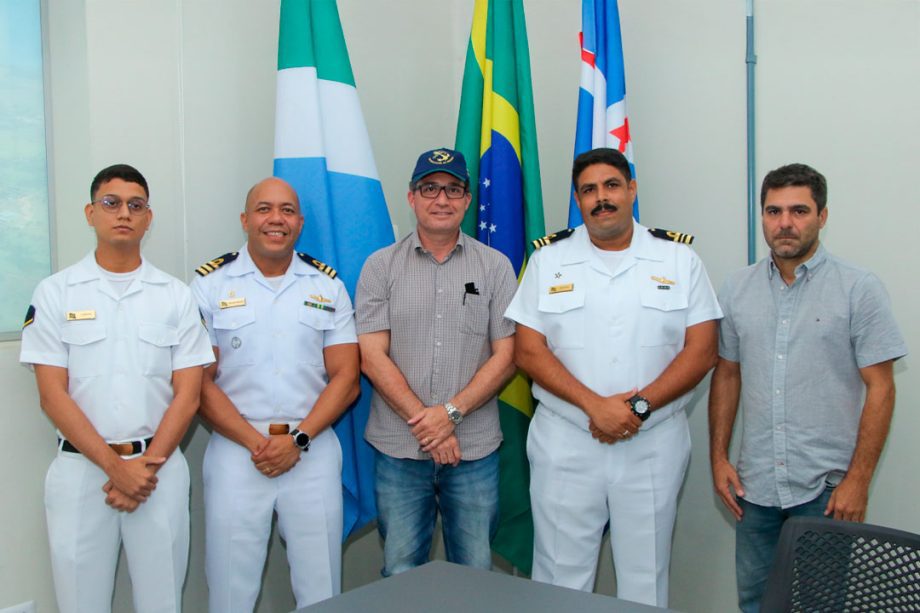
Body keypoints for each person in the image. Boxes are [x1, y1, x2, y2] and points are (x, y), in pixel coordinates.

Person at [505, 147, 722, 607]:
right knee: (558, 576)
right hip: (566, 441)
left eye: (611, 186)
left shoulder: (678, 258)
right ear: (577, 200)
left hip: (652, 442)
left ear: (632, 190)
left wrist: (636, 408)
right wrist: (596, 407)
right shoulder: (548, 260)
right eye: (588, 190)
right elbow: (528, 350)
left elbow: (702, 351)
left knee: (645, 577)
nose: (601, 198)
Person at [708, 163, 908, 612]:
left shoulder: (858, 288)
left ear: (822, 216)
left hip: (826, 491)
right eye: (773, 211)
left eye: (799, 211)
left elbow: (881, 388)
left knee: (820, 608)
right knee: (756, 604)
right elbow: (727, 374)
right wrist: (718, 458)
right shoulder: (737, 288)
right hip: (754, 490)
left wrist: (858, 481)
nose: (785, 223)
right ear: (762, 216)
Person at [19, 164, 214, 612]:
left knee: (162, 601)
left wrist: (142, 470)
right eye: (111, 203)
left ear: (148, 218)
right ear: (90, 213)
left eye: (135, 205)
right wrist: (115, 468)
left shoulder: (175, 295)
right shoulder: (55, 292)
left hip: (158, 470)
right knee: (80, 604)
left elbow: (189, 395)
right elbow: (52, 395)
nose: (124, 213)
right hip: (81, 472)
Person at [190, 177, 360, 611]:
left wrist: (297, 440)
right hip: (237, 451)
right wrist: (256, 443)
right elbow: (199, 382)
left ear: (299, 223)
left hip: (311, 448)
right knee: (230, 590)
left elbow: (346, 378)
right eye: (264, 209)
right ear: (245, 220)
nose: (276, 219)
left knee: (322, 588)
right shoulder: (210, 285)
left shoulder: (327, 286)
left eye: (286, 210)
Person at [355, 148, 517, 576]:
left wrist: (449, 415)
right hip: (399, 450)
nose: (441, 199)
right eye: (429, 188)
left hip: (474, 449)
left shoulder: (496, 267)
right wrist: (429, 425)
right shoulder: (379, 267)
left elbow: (507, 356)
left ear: (467, 200)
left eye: (452, 189)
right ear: (411, 197)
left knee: (475, 572)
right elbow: (371, 356)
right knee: (401, 571)